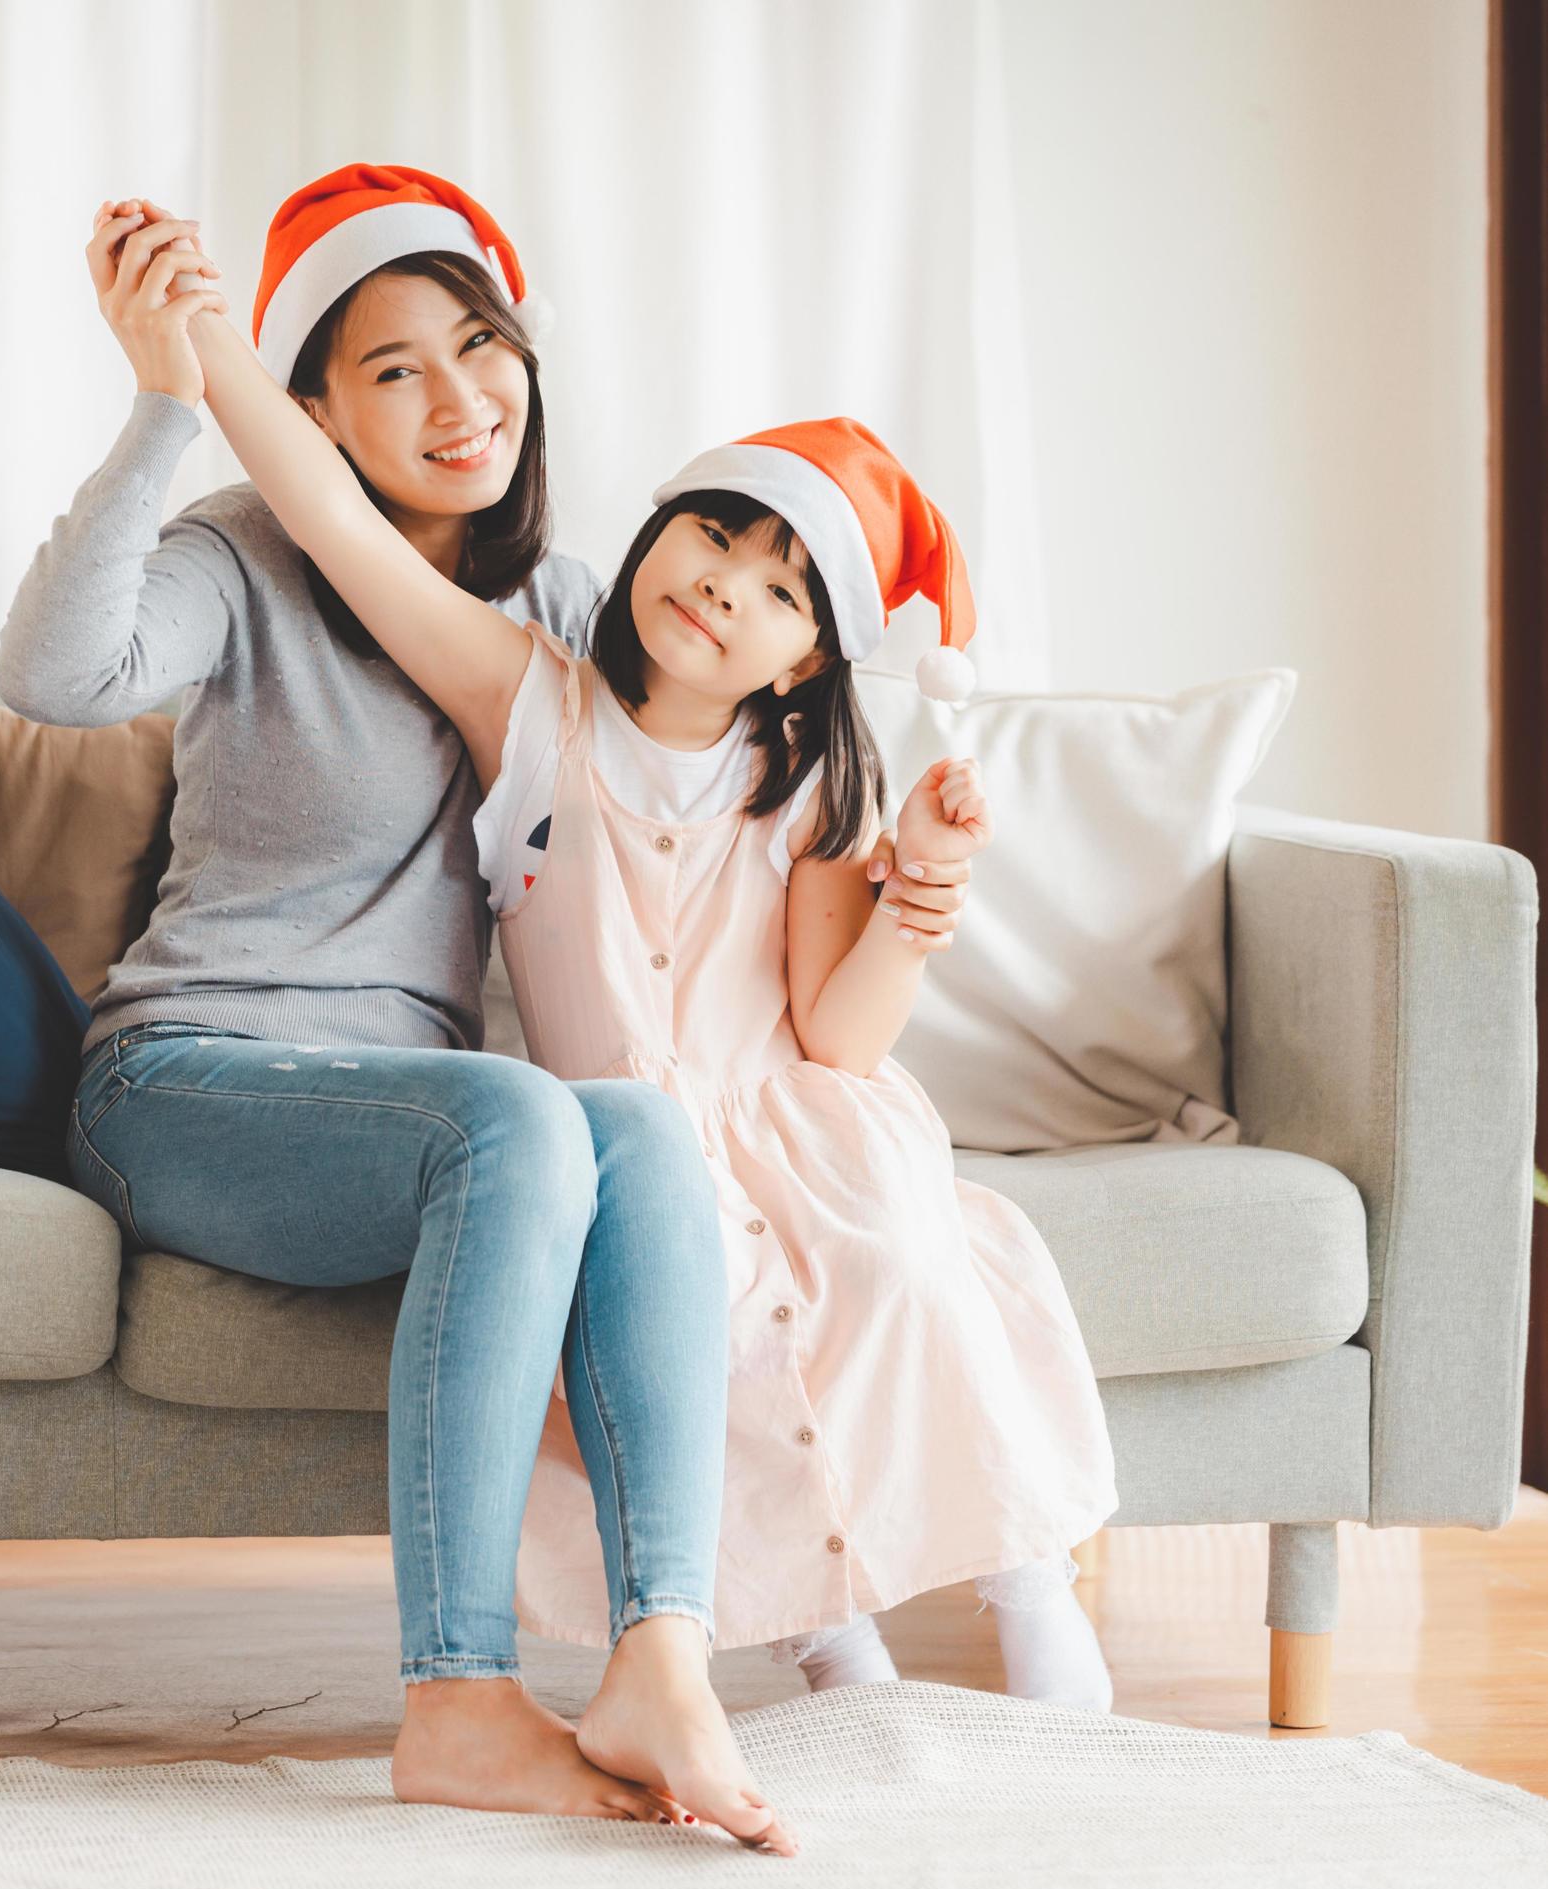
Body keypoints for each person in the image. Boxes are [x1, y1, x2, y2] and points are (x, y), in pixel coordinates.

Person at [177, 271, 1123, 1713]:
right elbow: (333, 523)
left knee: (896, 1275)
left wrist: (918, 889)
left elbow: (839, 1038)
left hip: (799, 1128)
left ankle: (1026, 1582)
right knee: (698, 1317)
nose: (725, 586)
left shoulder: (805, 782)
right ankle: (825, 1643)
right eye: (712, 534)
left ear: (810, 658)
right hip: (624, 1142)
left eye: (780, 590)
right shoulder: (526, 704)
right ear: (650, 534)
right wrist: (196, 341)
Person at [0, 165, 791, 1853]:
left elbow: (703, 787)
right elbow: (53, 679)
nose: (458, 399)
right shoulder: (241, 557)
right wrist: (160, 412)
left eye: (478, 346)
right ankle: (456, 1699)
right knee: (511, 1112)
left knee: (636, 1129)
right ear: (311, 413)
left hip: (427, 1139)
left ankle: (664, 1651)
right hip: (190, 1085)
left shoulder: (574, 605)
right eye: (392, 370)